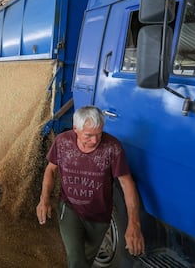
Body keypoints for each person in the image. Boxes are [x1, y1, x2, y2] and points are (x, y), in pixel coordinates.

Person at [36, 105, 144, 268]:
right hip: (70, 208)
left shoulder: (112, 148)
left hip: (99, 216)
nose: (94, 140)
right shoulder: (63, 142)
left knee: (86, 260)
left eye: (99, 134)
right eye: (89, 135)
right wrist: (44, 200)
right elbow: (50, 170)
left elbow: (127, 184)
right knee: (76, 259)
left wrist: (134, 224)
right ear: (75, 129)